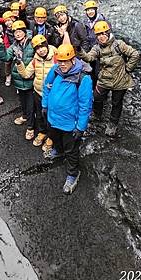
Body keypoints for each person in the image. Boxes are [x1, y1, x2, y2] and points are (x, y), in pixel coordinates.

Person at [42, 44, 93, 194]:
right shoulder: (55, 70)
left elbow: (85, 105)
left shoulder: (83, 78)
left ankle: (73, 174)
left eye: (65, 61)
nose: (62, 64)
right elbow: (47, 86)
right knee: (55, 138)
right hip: (53, 118)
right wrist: (45, 105)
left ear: (73, 59)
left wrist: (81, 127)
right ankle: (58, 150)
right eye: (60, 61)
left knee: (71, 150)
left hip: (70, 123)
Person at [77, 21, 139, 137]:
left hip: (120, 80)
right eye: (98, 35)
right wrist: (80, 51)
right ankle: (97, 115)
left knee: (116, 103)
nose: (101, 37)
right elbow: (89, 58)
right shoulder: (97, 48)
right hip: (105, 79)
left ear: (108, 32)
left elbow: (134, 54)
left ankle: (112, 124)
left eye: (103, 34)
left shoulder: (119, 44)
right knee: (96, 97)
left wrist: (128, 69)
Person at [16, 34, 57, 151]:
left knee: (52, 118)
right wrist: (19, 64)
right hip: (38, 93)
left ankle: (51, 138)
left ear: (47, 45)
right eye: (37, 48)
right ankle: (42, 132)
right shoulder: (35, 60)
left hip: (53, 95)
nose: (41, 50)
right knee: (40, 116)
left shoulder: (56, 56)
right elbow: (26, 74)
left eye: (42, 46)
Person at [0, 20, 35, 136]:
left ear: (24, 32)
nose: (17, 34)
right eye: (15, 32)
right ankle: (24, 116)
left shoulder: (32, 42)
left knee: (31, 105)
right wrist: (0, 45)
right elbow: (5, 57)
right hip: (19, 79)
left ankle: (31, 127)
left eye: (19, 31)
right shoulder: (14, 46)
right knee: (22, 100)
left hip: (31, 78)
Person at [0, 9, 18, 86]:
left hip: (18, 47)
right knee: (7, 63)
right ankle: (8, 76)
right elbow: (0, 20)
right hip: (9, 47)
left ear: (13, 19)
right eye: (6, 21)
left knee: (18, 63)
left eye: (9, 20)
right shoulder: (5, 27)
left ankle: (17, 79)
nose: (8, 23)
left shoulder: (17, 26)